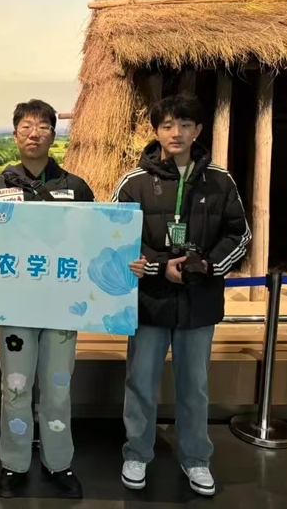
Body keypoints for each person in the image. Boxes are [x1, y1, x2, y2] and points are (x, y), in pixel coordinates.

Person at [114, 94, 251, 497]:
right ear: (156, 131)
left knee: (195, 386)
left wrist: (206, 264)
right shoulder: (134, 182)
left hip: (199, 299)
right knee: (141, 381)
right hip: (149, 300)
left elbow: (240, 235)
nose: (177, 133)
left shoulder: (221, 181)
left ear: (198, 131)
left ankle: (196, 459)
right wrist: (161, 266)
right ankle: (137, 453)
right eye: (168, 125)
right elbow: (118, 238)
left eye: (186, 125)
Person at [0, 99, 94, 500]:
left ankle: (59, 462)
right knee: (15, 388)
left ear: (53, 135)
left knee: (58, 389)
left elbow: (93, 244)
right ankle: (14, 463)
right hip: (14, 311)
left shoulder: (76, 188)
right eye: (26, 127)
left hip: (61, 311)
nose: (34, 134)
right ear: (15, 135)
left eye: (43, 127)